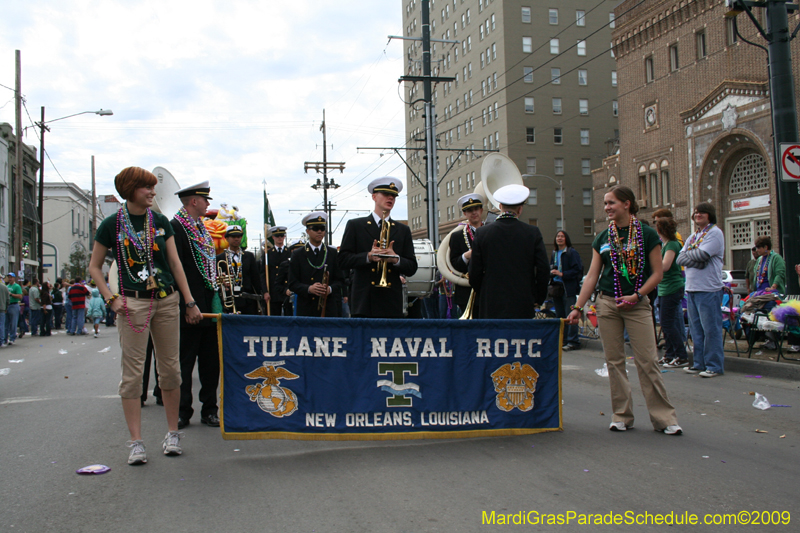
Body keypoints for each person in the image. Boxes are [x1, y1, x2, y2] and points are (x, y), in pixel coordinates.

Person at [89, 166, 202, 466]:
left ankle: (172, 433)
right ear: (130, 190)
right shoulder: (111, 224)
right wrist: (110, 298)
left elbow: (175, 264)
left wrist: (189, 301)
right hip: (132, 304)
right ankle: (136, 442)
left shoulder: (161, 221)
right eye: (146, 188)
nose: (152, 192)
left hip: (166, 302)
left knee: (171, 370)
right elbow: (94, 267)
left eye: (153, 188)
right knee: (133, 374)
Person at [566, 186, 681, 434]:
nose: (607, 207)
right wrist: (578, 307)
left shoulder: (648, 235)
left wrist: (637, 295)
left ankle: (665, 419)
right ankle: (621, 415)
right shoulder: (602, 238)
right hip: (607, 304)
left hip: (637, 304)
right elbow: (592, 277)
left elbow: (658, 273)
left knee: (648, 361)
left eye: (611, 203)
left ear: (627, 204)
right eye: (605, 203)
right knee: (614, 361)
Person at [170, 180, 221, 429]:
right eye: (205, 199)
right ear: (194, 201)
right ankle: (182, 411)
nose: (208, 204)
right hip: (189, 308)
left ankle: (210, 409)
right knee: (185, 363)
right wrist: (188, 304)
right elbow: (176, 270)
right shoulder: (176, 228)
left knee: (211, 362)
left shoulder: (201, 229)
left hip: (209, 307)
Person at [338, 177, 418, 318]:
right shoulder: (356, 225)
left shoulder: (402, 230)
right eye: (386, 194)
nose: (390, 198)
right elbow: (343, 260)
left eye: (393, 196)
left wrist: (396, 259)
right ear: (374, 197)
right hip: (364, 300)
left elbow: (412, 267)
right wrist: (368, 256)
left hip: (391, 300)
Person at [468, 184, 549, 318]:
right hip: (523, 301)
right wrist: (537, 298)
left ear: (500, 206)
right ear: (520, 209)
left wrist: (484, 293)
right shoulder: (532, 233)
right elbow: (543, 269)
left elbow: (474, 272)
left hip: (491, 302)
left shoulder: (482, 233)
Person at [676, 202, 725, 378]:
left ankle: (714, 365)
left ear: (710, 215)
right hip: (692, 289)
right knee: (696, 329)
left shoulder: (715, 233)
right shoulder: (694, 236)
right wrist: (697, 259)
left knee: (710, 328)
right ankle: (699, 363)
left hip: (709, 289)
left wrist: (695, 257)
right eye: (696, 212)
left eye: (702, 212)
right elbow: (679, 259)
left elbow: (704, 255)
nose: (698, 215)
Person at [288, 212, 344, 317]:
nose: (319, 232)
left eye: (322, 229)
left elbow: (340, 280)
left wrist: (330, 289)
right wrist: (309, 289)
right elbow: (292, 283)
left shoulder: (332, 253)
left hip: (328, 309)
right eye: (315, 228)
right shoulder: (298, 254)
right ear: (307, 231)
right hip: (306, 308)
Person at [656, 218, 689, 368]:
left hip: (672, 288)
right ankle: (669, 354)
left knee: (667, 323)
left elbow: (665, 266)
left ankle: (681, 355)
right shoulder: (665, 244)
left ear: (661, 230)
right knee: (666, 323)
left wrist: (651, 263)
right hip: (664, 288)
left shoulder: (672, 245)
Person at [449, 193, 485, 318]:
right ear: (465, 214)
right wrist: (466, 256)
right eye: (469, 211)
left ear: (481, 210)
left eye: (476, 209)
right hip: (466, 291)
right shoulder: (457, 236)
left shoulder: (492, 232)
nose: (473, 213)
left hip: (488, 290)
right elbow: (453, 264)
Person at [216, 225, 263, 315]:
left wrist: (260, 297)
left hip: (248, 300)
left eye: (239, 236)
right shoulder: (220, 258)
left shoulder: (249, 256)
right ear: (227, 238)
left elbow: (255, 278)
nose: (236, 239)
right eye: (233, 237)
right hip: (230, 300)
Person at [549, 231, 583, 350]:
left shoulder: (571, 252)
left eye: (562, 236)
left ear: (566, 239)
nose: (559, 238)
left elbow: (578, 270)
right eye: (558, 236)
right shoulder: (554, 253)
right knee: (560, 315)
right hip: (557, 288)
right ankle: (562, 340)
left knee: (570, 315)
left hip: (568, 288)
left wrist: (562, 274)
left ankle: (573, 341)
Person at [261, 226, 292, 316]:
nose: (279, 238)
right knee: (274, 318)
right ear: (273, 237)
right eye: (277, 236)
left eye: (281, 236)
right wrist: (265, 292)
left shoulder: (290, 252)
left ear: (284, 237)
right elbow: (263, 274)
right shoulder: (268, 254)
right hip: (273, 292)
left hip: (286, 290)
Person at [5, 273, 22, 345]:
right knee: (5, 323)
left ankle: (12, 338)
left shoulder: (17, 286)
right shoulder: (6, 286)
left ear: (14, 278)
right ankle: (4, 338)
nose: (10, 279)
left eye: (11, 277)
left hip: (14, 305)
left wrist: (11, 294)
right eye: (9, 277)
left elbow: (20, 296)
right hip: (7, 305)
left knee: (13, 323)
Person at [0, 278, 8, 344]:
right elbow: (7, 299)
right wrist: (6, 307)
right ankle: (1, 341)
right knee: (1, 325)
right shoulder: (4, 287)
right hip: (2, 308)